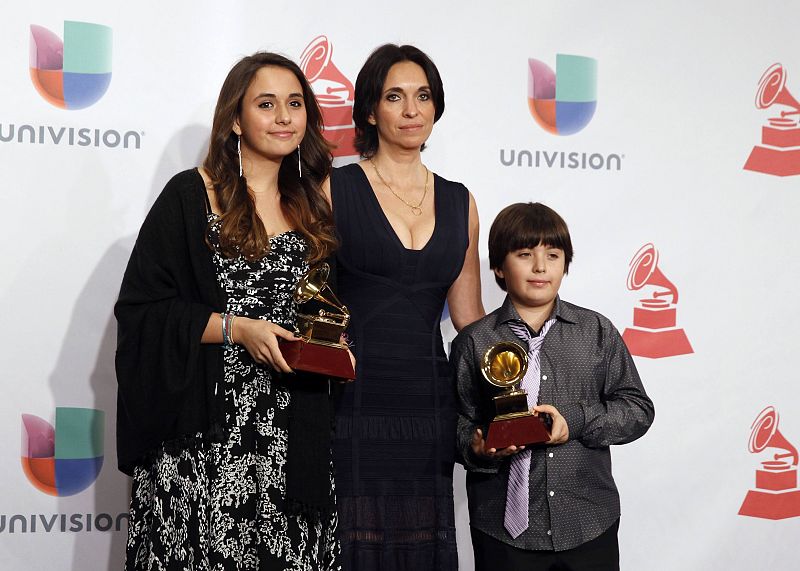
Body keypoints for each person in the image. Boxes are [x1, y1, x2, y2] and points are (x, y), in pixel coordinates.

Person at [115, 52, 342, 570]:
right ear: (236, 120)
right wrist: (234, 329)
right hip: (204, 442)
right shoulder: (189, 195)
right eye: (267, 104)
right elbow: (142, 311)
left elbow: (324, 312)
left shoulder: (312, 207)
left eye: (295, 103)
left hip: (292, 441)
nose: (285, 117)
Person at [321, 44, 485, 569]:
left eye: (423, 97)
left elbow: (469, 320)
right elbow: (302, 303)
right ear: (370, 110)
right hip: (350, 395)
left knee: (421, 543)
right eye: (395, 97)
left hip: (427, 399)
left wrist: (520, 388)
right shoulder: (334, 188)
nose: (412, 111)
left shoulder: (461, 201)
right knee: (351, 540)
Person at [451, 203, 655, 571]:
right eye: (525, 254)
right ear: (498, 266)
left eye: (553, 254)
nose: (540, 267)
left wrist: (573, 422)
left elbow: (638, 409)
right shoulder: (474, 342)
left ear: (566, 264)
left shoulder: (597, 332)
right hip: (502, 530)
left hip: (588, 524)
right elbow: (455, 423)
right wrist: (477, 446)